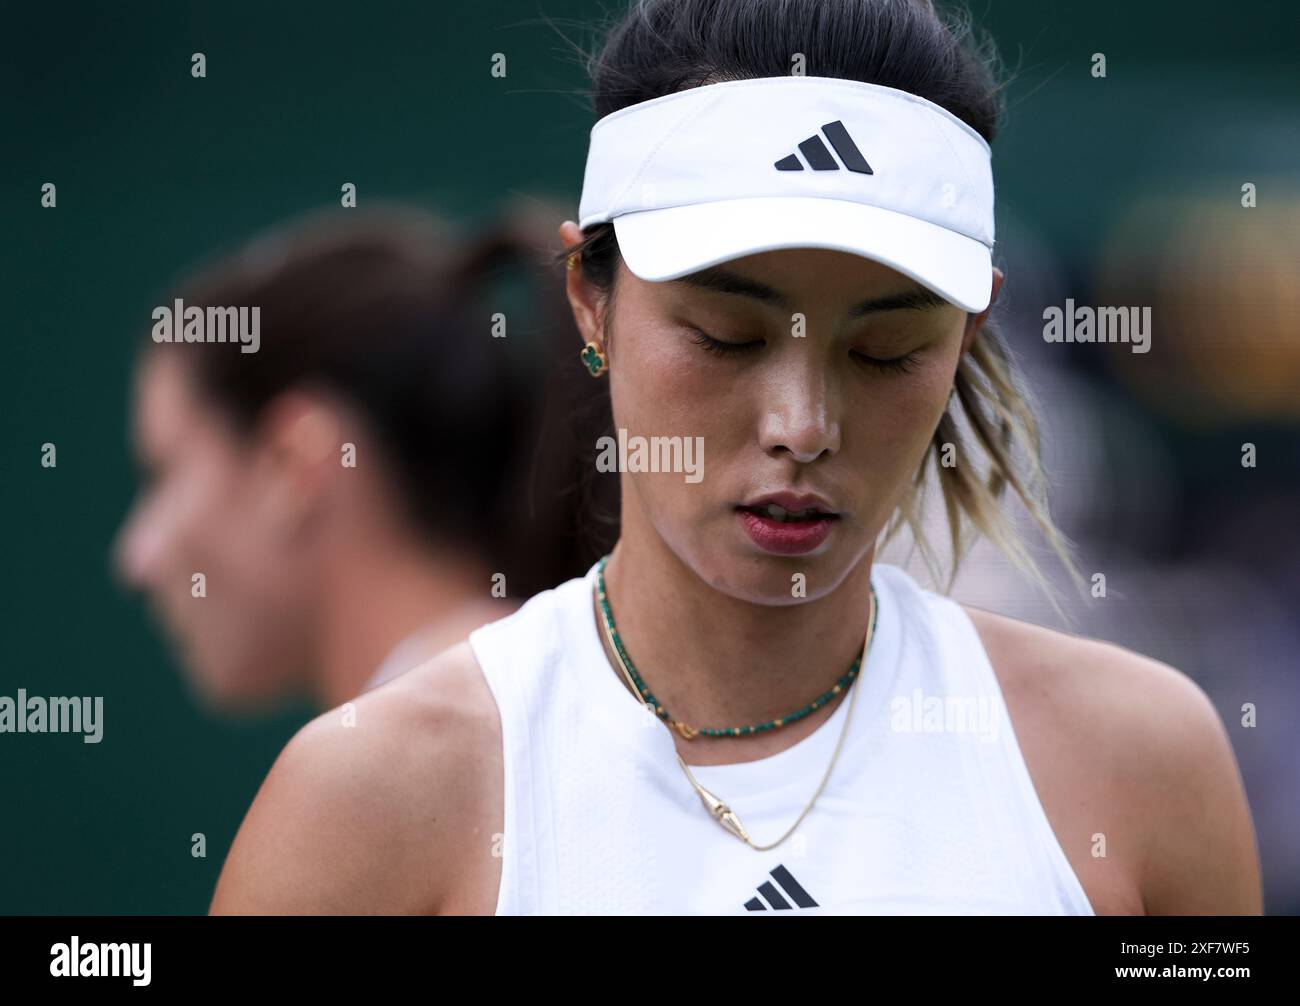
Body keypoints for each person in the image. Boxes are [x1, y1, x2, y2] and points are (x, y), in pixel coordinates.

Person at [209, 0, 1261, 914]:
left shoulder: (1144, 764)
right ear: (590, 296)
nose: (802, 425)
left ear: (970, 337)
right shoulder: (370, 800)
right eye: (725, 334)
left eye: (885, 347)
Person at [113, 202, 587, 713]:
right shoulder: (565, 694)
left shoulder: (389, 761)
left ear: (292, 462)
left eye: (164, 474)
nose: (135, 558)